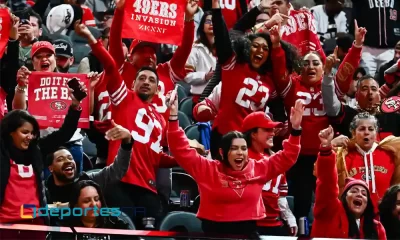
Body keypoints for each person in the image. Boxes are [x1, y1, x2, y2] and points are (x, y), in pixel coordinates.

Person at [74, 22, 178, 229]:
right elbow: (112, 66)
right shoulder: (123, 98)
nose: (146, 81)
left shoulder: (160, 120)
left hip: (148, 186)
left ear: (158, 88)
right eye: (142, 78)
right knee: (120, 232)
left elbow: (157, 157)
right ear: (132, 83)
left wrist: (185, 158)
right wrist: (91, 39)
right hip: (119, 182)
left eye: (151, 79)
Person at [167, 94, 304, 236]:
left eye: (244, 149)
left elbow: (288, 156)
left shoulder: (258, 168)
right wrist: (173, 117)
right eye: (234, 148)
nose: (240, 153)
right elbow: (179, 149)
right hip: (214, 235)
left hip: (248, 233)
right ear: (222, 152)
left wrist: (295, 130)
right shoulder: (208, 169)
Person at [271, 18, 365, 222]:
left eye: (316, 63)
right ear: (298, 69)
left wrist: (357, 45)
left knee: (329, 200)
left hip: (325, 155)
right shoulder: (291, 87)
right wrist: (277, 45)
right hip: (297, 157)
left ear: (324, 68)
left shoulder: (332, 85)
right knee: (301, 204)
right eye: (306, 63)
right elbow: (278, 72)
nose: (311, 67)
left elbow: (348, 68)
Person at [209, 0, 296, 158]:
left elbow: (277, 108)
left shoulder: (270, 80)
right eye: (256, 46)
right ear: (247, 47)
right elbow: (223, 36)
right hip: (223, 138)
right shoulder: (233, 64)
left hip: (250, 144)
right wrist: (216, 9)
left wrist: (281, 124)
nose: (260, 50)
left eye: (265, 48)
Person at [0, 88, 84, 238]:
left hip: (36, 224)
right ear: (10, 132)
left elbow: (64, 134)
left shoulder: (36, 151)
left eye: (32, 133)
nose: (30, 137)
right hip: (5, 225)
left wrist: (75, 105)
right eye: (25, 132)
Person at [311, 125, 386, 239]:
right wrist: (326, 148)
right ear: (344, 197)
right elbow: (326, 182)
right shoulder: (329, 211)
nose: (359, 194)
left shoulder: (376, 227)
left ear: (367, 204)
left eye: (364, 193)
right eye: (354, 191)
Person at [45, 120, 132, 204]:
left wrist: (126, 142)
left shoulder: (88, 180)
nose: (68, 161)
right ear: (51, 168)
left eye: (70, 158)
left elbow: (117, 170)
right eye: (60, 159)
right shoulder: (43, 191)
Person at [328, 112, 400, 208]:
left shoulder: (390, 154)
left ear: (376, 133)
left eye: (371, 129)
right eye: (362, 129)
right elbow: (321, 173)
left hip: (384, 216)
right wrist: (330, 146)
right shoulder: (343, 156)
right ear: (353, 133)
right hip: (353, 216)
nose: (366, 132)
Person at [242, 112, 297, 236]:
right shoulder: (240, 159)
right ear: (253, 134)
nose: (272, 133)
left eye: (272, 129)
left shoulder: (275, 159)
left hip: (274, 223)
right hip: (249, 225)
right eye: (267, 130)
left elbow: (281, 195)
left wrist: (289, 218)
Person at [54, 180, 133, 240]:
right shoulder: (64, 229)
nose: (93, 204)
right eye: (87, 201)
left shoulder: (116, 224)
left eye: (96, 199)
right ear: (76, 206)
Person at [184, 11, 216, 104]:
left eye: (214, 21)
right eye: (208, 21)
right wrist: (205, 76)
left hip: (220, 98)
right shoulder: (195, 48)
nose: (211, 24)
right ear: (202, 26)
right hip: (200, 98)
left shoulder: (225, 47)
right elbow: (187, 76)